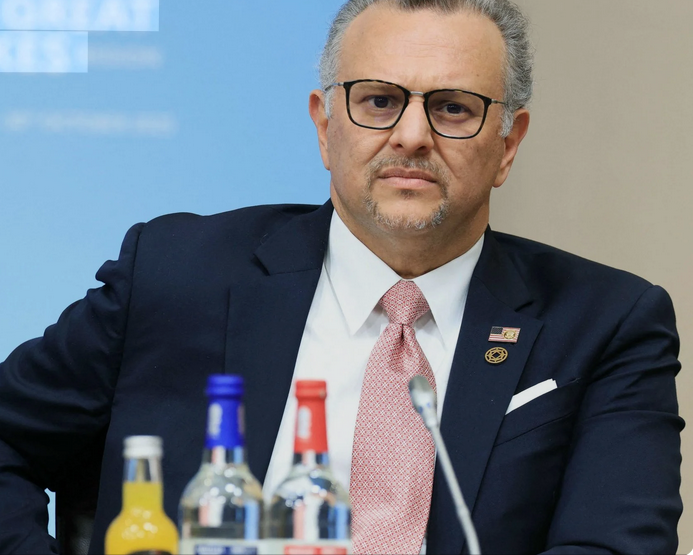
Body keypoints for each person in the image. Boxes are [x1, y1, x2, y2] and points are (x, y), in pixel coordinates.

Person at [0, 0, 683, 553]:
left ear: (508, 143)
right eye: (379, 100)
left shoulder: (604, 323)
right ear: (325, 127)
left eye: (452, 107)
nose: (412, 135)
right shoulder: (177, 274)